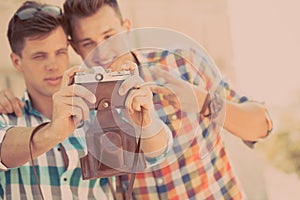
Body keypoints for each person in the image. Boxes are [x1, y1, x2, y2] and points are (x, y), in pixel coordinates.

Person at [0, 0, 273, 199]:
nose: (103, 49)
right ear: (75, 48)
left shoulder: (180, 63)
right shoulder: (91, 100)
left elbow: (261, 125)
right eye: (88, 42)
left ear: (126, 27)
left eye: (109, 36)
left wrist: (199, 100)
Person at [0, 1, 172, 199]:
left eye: (60, 52)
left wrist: (146, 123)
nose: (53, 65)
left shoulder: (96, 109)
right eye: (40, 56)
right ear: (16, 61)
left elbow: (156, 152)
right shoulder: (6, 117)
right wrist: (53, 132)